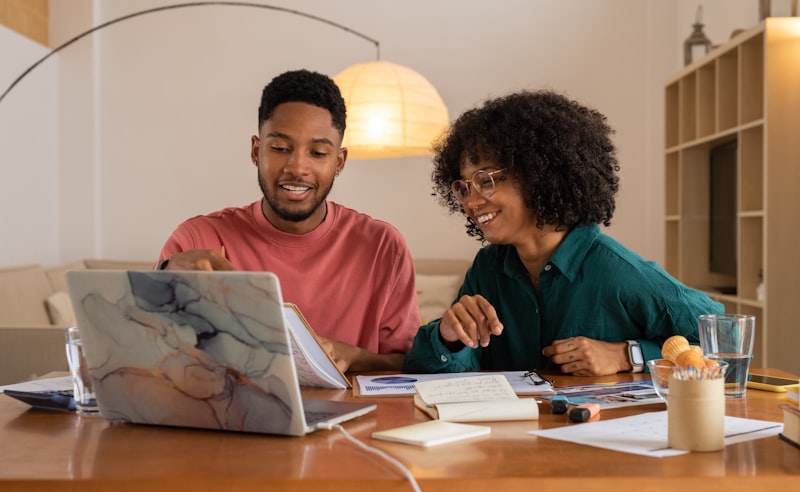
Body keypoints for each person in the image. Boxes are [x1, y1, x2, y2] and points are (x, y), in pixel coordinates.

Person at [402, 90, 723, 376]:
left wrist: (629, 355)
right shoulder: (488, 269)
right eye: (464, 187)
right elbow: (427, 372)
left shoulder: (615, 270)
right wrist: (448, 336)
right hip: (511, 440)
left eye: (485, 180)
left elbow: (722, 339)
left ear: (538, 176)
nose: (471, 201)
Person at [157, 69, 419, 372]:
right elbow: (146, 353)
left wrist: (355, 356)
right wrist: (166, 274)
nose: (297, 168)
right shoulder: (196, 239)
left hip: (354, 419)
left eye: (318, 153)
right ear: (256, 151)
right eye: (280, 149)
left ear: (339, 162)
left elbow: (408, 363)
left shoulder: (383, 246)